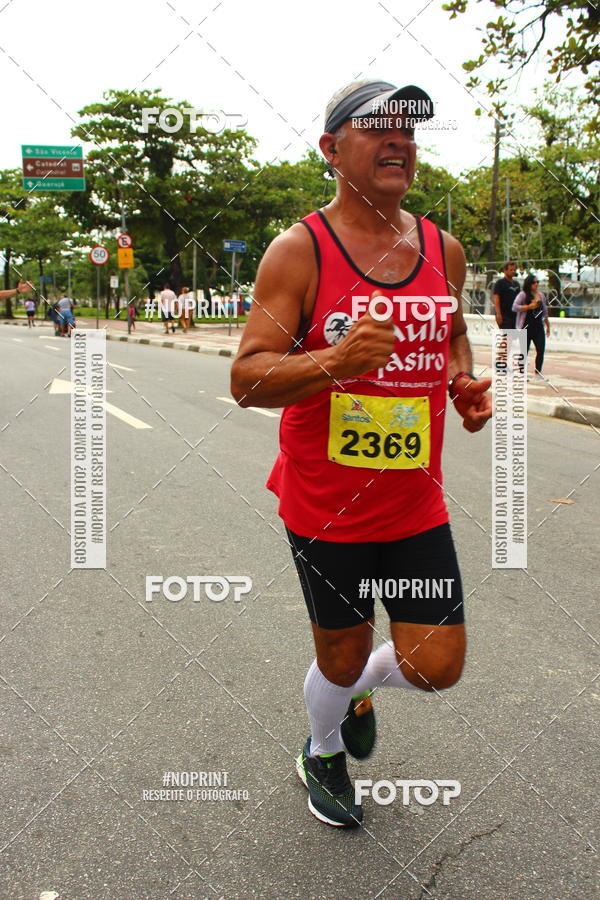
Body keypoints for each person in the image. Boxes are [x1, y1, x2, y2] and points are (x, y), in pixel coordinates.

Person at [231, 79, 493, 828]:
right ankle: (321, 748)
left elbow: (451, 331)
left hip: (414, 502)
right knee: (340, 659)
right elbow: (247, 377)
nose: (400, 138)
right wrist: (336, 362)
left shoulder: (444, 246)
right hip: (327, 507)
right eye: (377, 125)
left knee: (437, 667)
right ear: (331, 148)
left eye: (409, 128)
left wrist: (460, 382)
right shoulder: (299, 250)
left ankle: (353, 695)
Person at [512, 274, 550, 378]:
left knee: (540, 349)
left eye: (538, 282)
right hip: (526, 325)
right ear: (529, 284)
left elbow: (545, 312)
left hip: (538, 326)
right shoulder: (523, 295)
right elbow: (515, 307)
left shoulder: (541, 295)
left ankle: (538, 372)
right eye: (534, 282)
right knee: (524, 350)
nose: (536, 284)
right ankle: (521, 371)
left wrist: (548, 326)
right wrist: (529, 307)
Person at [492, 262, 520, 329]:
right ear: (505, 270)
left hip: (515, 315)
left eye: (514, 270)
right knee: (506, 337)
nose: (513, 271)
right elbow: (496, 299)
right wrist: (498, 314)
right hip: (504, 315)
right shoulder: (500, 283)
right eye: (511, 270)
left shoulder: (516, 284)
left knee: (515, 337)